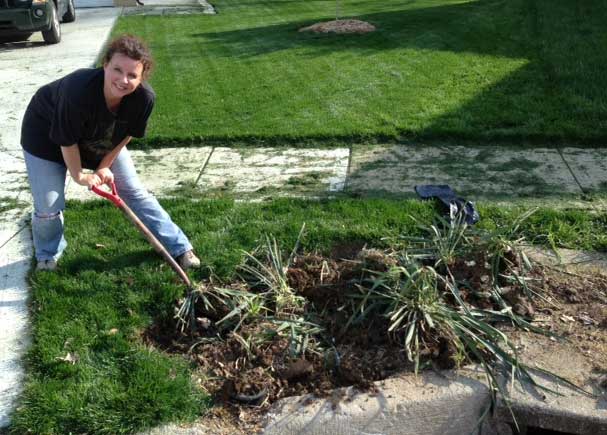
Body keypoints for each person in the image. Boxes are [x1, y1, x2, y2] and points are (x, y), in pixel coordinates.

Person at [21, 34, 200, 271]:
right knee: (48, 206)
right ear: (105, 64)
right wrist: (79, 175)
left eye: (132, 75)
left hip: (96, 136)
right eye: (117, 69)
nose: (123, 80)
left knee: (134, 191)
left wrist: (104, 164)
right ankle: (47, 255)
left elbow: (127, 134)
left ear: (141, 78)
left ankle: (180, 248)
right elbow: (67, 140)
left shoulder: (144, 99)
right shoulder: (78, 91)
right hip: (45, 138)